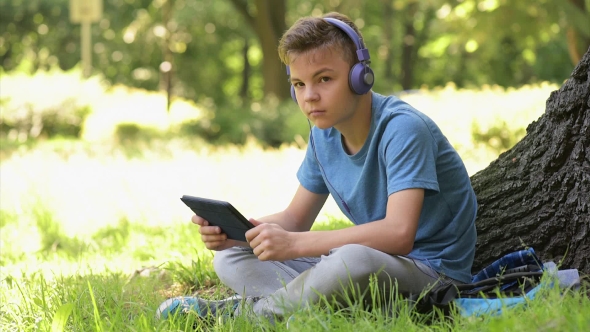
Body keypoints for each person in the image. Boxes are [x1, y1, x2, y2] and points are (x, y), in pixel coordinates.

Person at [156, 11, 477, 323]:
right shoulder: (323, 134)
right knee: (231, 258)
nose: (309, 97)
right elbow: (294, 219)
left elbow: (398, 235)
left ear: (360, 77)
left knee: (351, 259)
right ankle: (319, 306)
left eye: (324, 79)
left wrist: (294, 244)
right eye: (298, 84)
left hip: (431, 274)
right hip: (366, 270)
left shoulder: (403, 129)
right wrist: (242, 234)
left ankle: (252, 314)